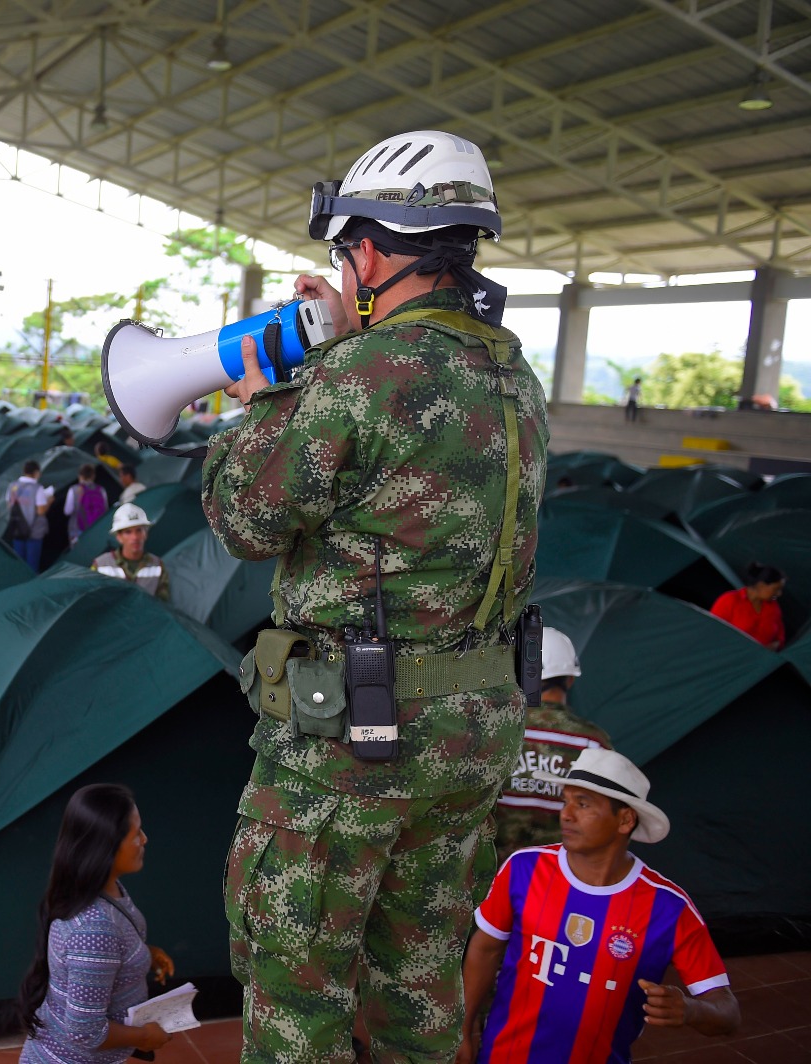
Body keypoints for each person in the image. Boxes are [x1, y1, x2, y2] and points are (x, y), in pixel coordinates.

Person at [205, 131, 547, 1062]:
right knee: (421, 985)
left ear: (371, 250)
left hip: (357, 735)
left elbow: (246, 516)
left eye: (346, 252)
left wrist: (267, 395)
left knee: (295, 994)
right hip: (472, 728)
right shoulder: (513, 372)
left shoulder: (358, 375)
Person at [459, 749, 739, 1064]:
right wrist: (463, 1030)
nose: (566, 814)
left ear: (625, 820)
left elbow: (727, 1012)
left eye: (583, 804)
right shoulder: (524, 868)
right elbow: (485, 950)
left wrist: (692, 1010)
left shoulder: (669, 908)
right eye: (566, 801)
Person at [16, 784, 175, 1064]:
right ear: (106, 845)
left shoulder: (102, 889)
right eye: (136, 833)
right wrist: (144, 1037)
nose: (145, 839)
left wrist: (145, 954)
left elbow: (109, 954)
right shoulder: (94, 929)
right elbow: (84, 1033)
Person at [494, 628, 613, 860]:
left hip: (488, 878)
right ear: (569, 679)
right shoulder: (594, 742)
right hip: (556, 880)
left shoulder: (495, 730)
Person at [91, 505, 169, 603]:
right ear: (119, 537)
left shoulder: (158, 565)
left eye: (139, 530)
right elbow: (93, 599)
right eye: (128, 532)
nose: (135, 537)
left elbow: (164, 605)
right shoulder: (100, 564)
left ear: (146, 534)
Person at [709, 562, 786, 650]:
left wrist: (772, 647)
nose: (779, 594)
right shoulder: (730, 600)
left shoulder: (773, 607)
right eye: (776, 589)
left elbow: (780, 638)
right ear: (761, 585)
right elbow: (713, 631)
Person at [6, 460, 53, 570]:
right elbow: (41, 511)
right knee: (32, 564)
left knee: (19, 562)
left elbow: (10, 506)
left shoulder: (12, 486)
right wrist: (50, 501)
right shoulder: (38, 488)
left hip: (17, 528)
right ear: (36, 472)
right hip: (34, 531)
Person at [63, 465, 109, 548]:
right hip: (96, 529)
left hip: (77, 530)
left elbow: (67, 511)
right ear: (93, 476)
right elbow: (106, 509)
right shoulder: (101, 490)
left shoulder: (74, 489)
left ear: (80, 476)